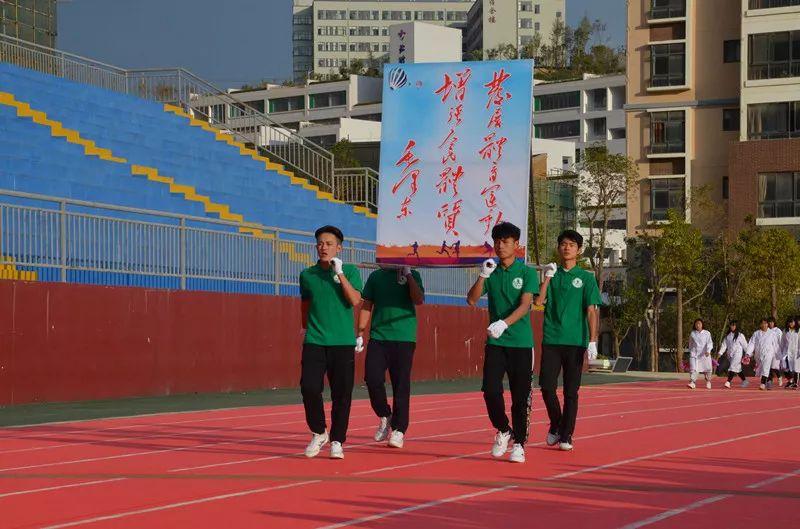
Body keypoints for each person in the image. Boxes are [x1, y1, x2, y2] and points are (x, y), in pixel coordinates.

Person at [467, 222, 539, 464]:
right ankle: (503, 429)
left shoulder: (527, 272)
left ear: (516, 245)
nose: (500, 246)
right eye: (497, 241)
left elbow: (526, 304)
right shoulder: (491, 271)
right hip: (496, 343)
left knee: (520, 396)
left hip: (520, 343)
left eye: (506, 241)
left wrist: (504, 323)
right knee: (490, 390)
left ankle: (519, 444)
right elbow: (471, 300)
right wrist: (482, 276)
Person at [299, 225, 363, 459]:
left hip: (342, 342)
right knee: (309, 387)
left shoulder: (351, 271)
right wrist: (304, 327)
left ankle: (337, 440)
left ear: (339, 248)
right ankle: (319, 431)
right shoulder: (307, 275)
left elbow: (355, 300)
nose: (323, 248)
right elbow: (305, 304)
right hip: (315, 339)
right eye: (320, 244)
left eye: (328, 244)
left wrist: (340, 274)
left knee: (341, 394)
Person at [536, 229, 601, 452]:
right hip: (552, 338)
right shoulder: (552, 274)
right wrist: (547, 277)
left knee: (571, 392)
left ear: (579, 250)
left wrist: (592, 340)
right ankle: (556, 424)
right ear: (558, 248)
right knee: (547, 387)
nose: (567, 248)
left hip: (575, 341)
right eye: (563, 244)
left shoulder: (586, 278)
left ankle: (566, 435)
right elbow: (539, 301)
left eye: (572, 245)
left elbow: (591, 311)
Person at [358, 264, 425, 448]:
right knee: (372, 378)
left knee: (401, 384)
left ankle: (399, 429)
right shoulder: (376, 277)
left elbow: (418, 299)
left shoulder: (414, 274)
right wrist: (360, 332)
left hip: (404, 337)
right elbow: (367, 305)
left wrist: (408, 275)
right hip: (378, 337)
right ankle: (385, 414)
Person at [747, 318, 782, 390]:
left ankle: (763, 383)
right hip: (758, 354)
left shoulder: (772, 333)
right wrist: (748, 353)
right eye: (762, 323)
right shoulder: (756, 333)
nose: (764, 325)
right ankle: (769, 381)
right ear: (760, 325)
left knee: (766, 367)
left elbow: (776, 345)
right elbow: (752, 343)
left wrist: (779, 355)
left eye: (765, 323)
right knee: (762, 369)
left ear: (767, 324)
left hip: (769, 353)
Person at [718, 320, 749, 389]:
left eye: (734, 325)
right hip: (730, 355)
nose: (732, 327)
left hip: (738, 354)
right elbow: (724, 345)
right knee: (737, 369)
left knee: (732, 367)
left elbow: (745, 345)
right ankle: (745, 380)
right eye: (731, 325)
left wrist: (748, 354)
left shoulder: (740, 335)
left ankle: (728, 382)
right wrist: (720, 353)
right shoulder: (727, 336)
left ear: (736, 326)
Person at [687, 319, 714, 390]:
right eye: (696, 324)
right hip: (694, 355)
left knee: (707, 369)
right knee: (693, 369)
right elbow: (690, 343)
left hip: (705, 355)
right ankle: (692, 382)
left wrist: (708, 351)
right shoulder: (692, 333)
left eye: (699, 323)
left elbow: (710, 343)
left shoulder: (707, 333)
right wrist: (690, 352)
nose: (698, 325)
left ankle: (708, 381)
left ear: (702, 324)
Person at [781, 317, 799, 389]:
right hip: (786, 351)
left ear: (795, 322)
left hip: (796, 351)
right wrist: (781, 351)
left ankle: (795, 383)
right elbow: (782, 341)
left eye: (793, 322)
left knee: (796, 368)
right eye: (790, 322)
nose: (791, 323)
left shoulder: (798, 330)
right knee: (784, 366)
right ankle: (790, 380)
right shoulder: (785, 331)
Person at [768, 317, 784, 386]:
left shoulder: (778, 331)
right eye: (769, 322)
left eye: (772, 322)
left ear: (774, 323)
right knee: (769, 367)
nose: (770, 323)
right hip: (769, 352)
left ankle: (779, 377)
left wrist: (782, 350)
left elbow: (781, 341)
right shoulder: (767, 330)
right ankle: (770, 381)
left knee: (774, 366)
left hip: (776, 352)